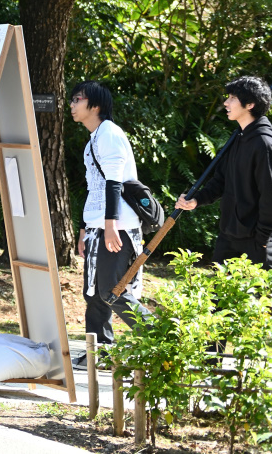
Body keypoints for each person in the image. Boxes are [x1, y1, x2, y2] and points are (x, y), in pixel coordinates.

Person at [69, 81, 150, 362]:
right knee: (92, 292)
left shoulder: (110, 135)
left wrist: (110, 225)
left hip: (117, 227)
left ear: (96, 105)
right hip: (98, 226)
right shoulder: (94, 137)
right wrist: (84, 230)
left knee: (111, 291)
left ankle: (158, 336)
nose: (72, 105)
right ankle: (100, 352)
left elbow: (115, 184)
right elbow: (94, 187)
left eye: (77, 99)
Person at [176, 75, 272, 272]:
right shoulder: (240, 136)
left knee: (270, 300)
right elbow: (221, 180)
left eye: (232, 98)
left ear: (250, 104)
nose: (226, 102)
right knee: (217, 300)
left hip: (257, 241)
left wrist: (262, 240)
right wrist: (196, 200)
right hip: (230, 235)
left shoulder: (263, 144)